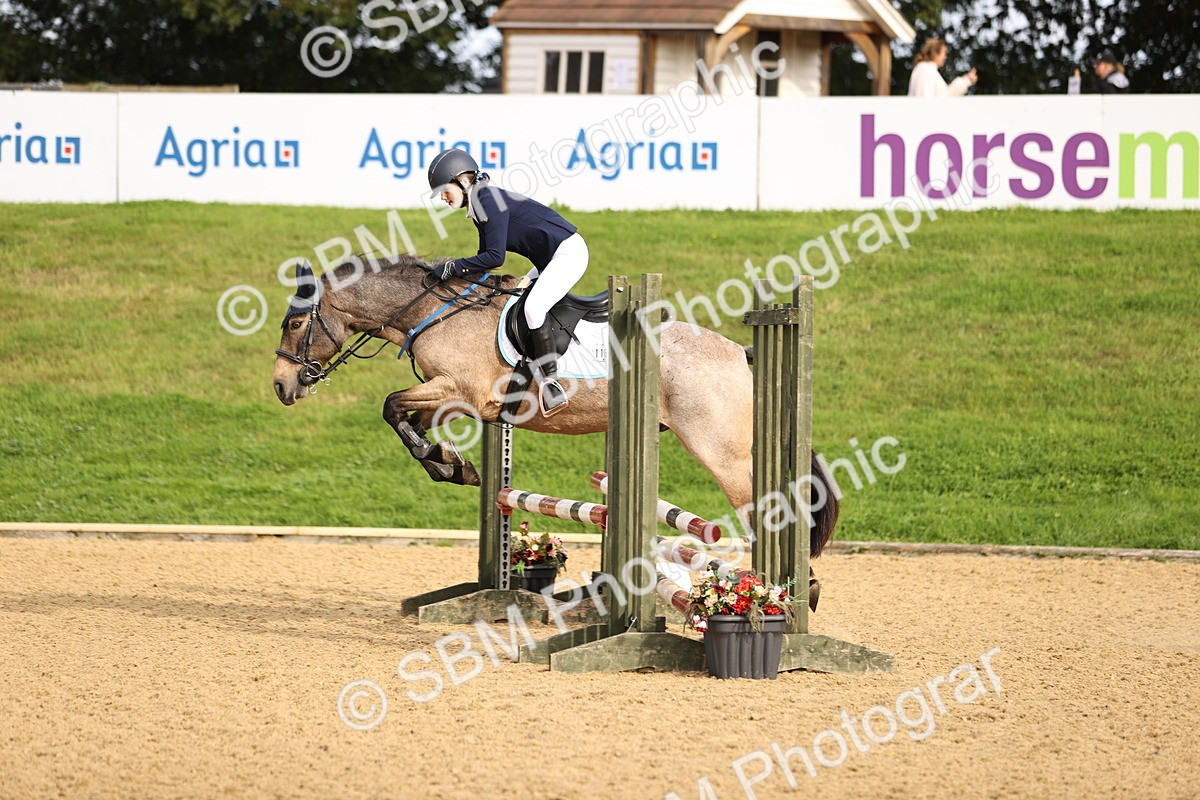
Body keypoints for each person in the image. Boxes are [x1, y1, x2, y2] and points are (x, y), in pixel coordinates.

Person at [426, 148, 586, 417]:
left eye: (444, 189)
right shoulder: (479, 203)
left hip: (568, 253)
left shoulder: (487, 200)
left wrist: (451, 267)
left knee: (533, 308)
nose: (443, 197)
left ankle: (551, 382)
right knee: (516, 298)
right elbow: (483, 258)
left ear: (462, 181)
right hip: (548, 259)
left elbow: (494, 257)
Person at [908, 38, 977, 97]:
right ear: (935, 53)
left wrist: (966, 81)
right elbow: (925, 98)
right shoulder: (925, 69)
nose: (945, 57)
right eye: (944, 53)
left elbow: (944, 97)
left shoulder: (929, 70)